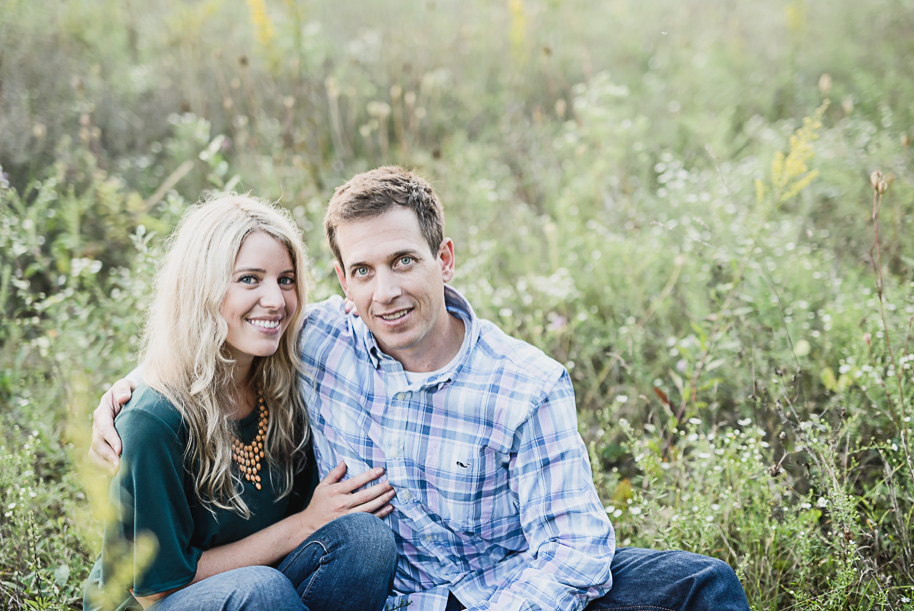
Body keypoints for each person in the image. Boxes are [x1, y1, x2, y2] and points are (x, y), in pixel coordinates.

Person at [92, 168, 751, 611]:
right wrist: (130, 390)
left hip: (507, 587)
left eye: (404, 261)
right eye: (364, 271)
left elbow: (576, 553)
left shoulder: (525, 386)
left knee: (703, 583)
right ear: (344, 286)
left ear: (444, 259)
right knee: (341, 553)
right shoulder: (320, 340)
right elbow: (211, 338)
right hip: (390, 597)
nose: (387, 291)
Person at [83, 194, 397, 611]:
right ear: (202, 289)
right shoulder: (152, 422)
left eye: (286, 280)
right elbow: (155, 589)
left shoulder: (282, 384)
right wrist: (303, 524)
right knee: (261, 590)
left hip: (262, 591)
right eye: (249, 279)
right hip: (159, 603)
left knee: (367, 541)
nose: (276, 300)